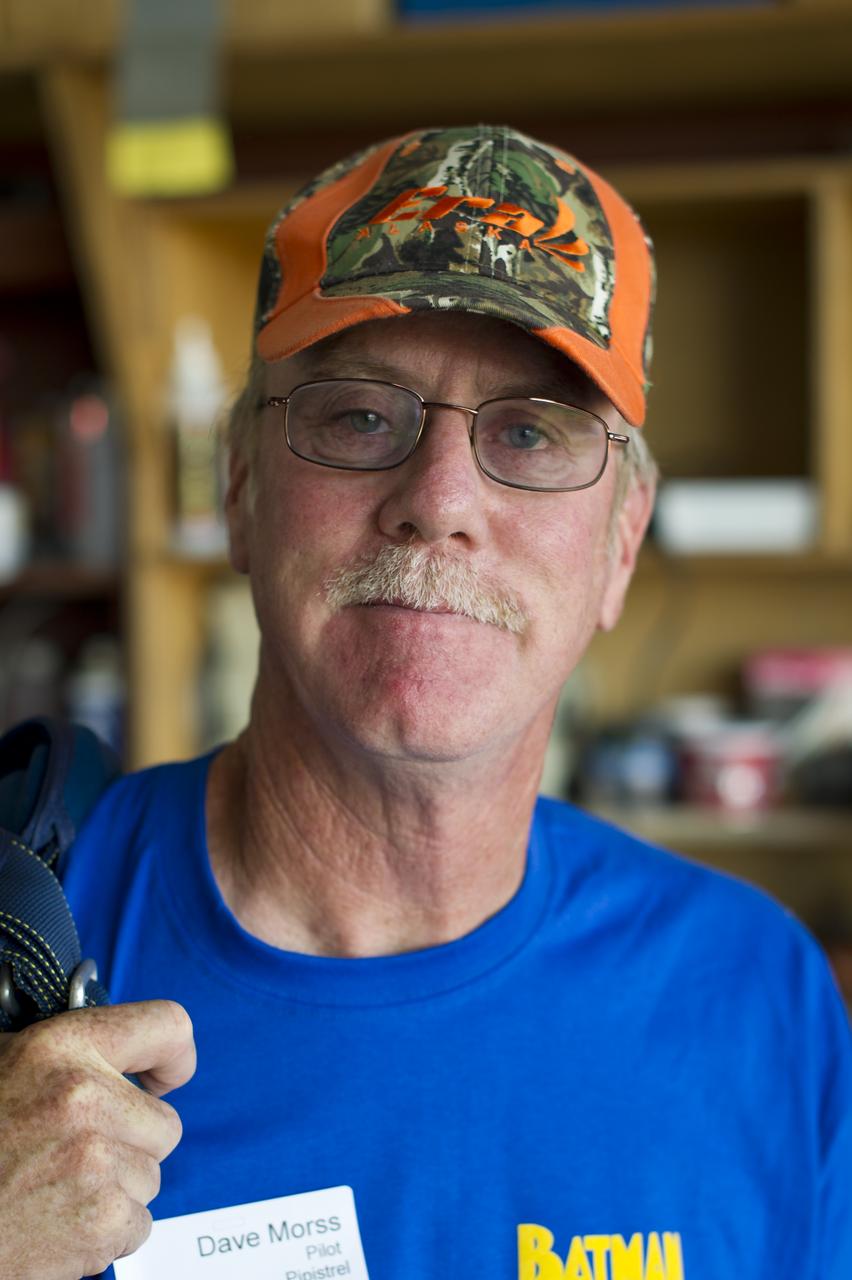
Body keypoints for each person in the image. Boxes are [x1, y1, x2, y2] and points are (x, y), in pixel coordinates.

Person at [0, 124, 849, 1280]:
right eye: (359, 414)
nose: (440, 500)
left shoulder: (756, 995)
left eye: (532, 432)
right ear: (240, 489)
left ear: (621, 546)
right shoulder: (20, 952)